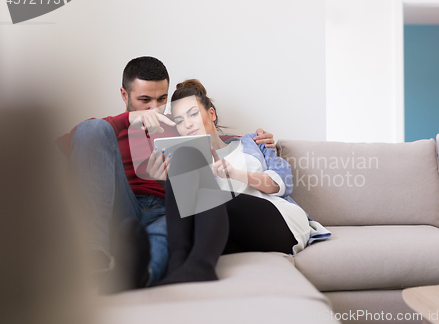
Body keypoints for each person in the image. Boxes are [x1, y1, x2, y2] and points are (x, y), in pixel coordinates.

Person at [56, 57, 277, 292]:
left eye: (162, 99)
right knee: (91, 128)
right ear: (124, 95)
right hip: (121, 205)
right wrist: (130, 120)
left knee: (165, 237)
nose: (155, 109)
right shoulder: (109, 128)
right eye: (144, 100)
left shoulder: (180, 124)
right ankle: (95, 263)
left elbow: (217, 143)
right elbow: (72, 144)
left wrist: (257, 142)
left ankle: (138, 276)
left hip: (165, 209)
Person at [146, 79, 331, 285]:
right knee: (185, 157)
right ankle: (176, 265)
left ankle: (200, 267)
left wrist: (235, 173)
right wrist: (165, 183)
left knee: (208, 194)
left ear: (211, 114)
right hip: (228, 230)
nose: (187, 124)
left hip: (277, 222)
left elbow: (282, 183)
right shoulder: (188, 164)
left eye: (193, 114)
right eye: (179, 121)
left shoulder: (253, 143)